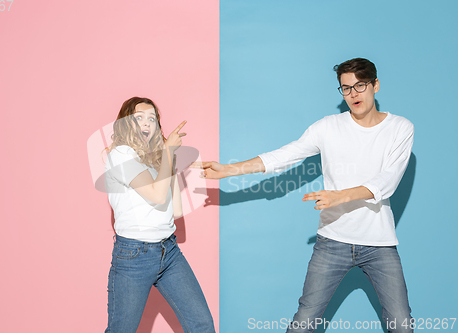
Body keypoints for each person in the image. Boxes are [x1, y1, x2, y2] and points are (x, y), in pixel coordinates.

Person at [192, 58, 414, 333]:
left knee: (402, 325)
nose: (354, 94)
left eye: (360, 85)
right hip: (333, 241)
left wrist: (340, 196)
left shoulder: (400, 128)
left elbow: (388, 181)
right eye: (346, 88)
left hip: (379, 244)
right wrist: (228, 170)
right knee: (303, 323)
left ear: (375, 85)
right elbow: (286, 155)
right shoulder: (328, 126)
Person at [104, 97, 216, 333]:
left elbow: (175, 210)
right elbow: (156, 195)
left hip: (169, 252)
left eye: (152, 118)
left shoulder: (156, 160)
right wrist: (167, 152)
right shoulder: (121, 155)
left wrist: (169, 159)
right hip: (134, 255)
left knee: (202, 325)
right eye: (139, 117)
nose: (147, 123)